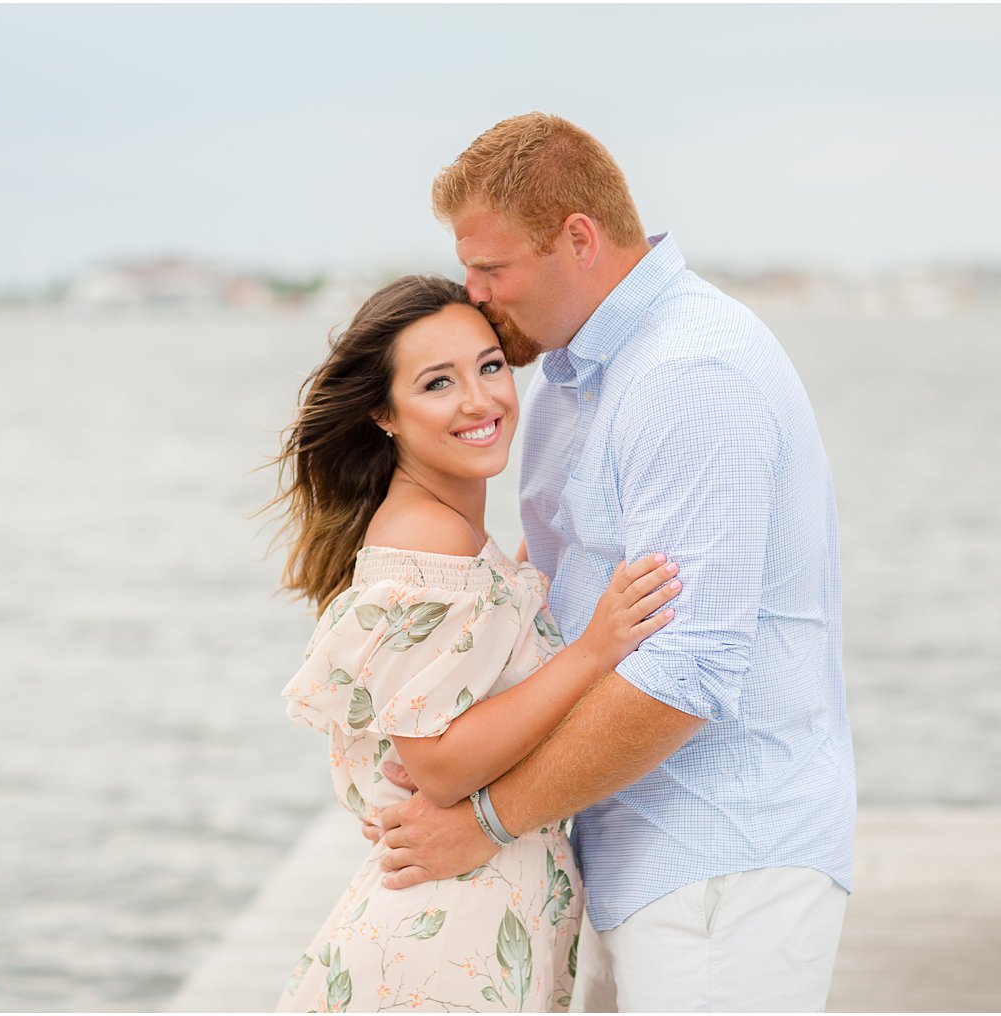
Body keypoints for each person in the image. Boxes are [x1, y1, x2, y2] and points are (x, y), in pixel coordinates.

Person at [369, 113, 857, 1013]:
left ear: (579, 240)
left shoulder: (691, 374)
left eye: (493, 267)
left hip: (720, 857)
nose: (473, 293)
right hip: (619, 846)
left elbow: (686, 673)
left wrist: (482, 820)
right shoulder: (569, 379)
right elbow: (550, 600)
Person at [265, 274, 682, 1012]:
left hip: (470, 930)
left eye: (490, 366)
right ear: (384, 413)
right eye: (437, 383)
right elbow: (440, 764)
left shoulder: (451, 538)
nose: (480, 400)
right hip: (444, 951)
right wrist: (593, 649)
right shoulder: (430, 540)